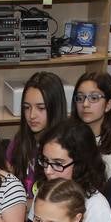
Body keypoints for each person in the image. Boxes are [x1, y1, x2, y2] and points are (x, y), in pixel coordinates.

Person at [34, 119, 111, 222]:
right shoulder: (45, 192)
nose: (48, 171)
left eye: (58, 163)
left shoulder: (95, 205)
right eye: (45, 161)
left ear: (80, 164)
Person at [8, 71, 68, 199]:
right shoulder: (18, 142)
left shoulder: (66, 147)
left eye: (41, 108)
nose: (32, 115)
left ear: (55, 108)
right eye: (26, 107)